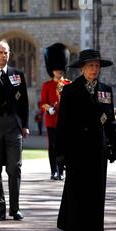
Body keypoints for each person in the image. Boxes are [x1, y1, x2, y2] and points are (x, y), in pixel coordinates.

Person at [56, 49, 116, 231]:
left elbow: (110, 120)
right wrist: (61, 154)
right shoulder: (70, 91)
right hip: (77, 150)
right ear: (82, 68)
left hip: (97, 149)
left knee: (94, 195)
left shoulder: (105, 90)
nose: (94, 69)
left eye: (97, 66)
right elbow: (63, 125)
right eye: (90, 66)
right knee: (78, 195)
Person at [0, 40, 29, 221]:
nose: (5, 55)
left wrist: (25, 124)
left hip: (13, 126)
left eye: (7, 52)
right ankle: (0, 209)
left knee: (15, 167)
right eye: (1, 52)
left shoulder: (17, 75)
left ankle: (15, 208)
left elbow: (24, 102)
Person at [40, 43, 71, 181]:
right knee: (52, 147)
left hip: (65, 120)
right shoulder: (47, 85)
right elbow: (42, 103)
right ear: (52, 70)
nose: (59, 71)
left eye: (60, 69)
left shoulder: (68, 85)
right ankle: (54, 170)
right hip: (52, 121)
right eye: (56, 69)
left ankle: (62, 169)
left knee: (64, 146)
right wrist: (49, 108)